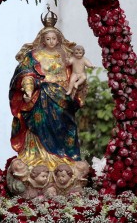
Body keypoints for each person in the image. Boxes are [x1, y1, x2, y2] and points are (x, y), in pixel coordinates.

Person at [9, 12, 84, 172]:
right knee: (38, 123)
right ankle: (38, 159)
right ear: (42, 39)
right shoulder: (33, 55)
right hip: (40, 97)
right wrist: (29, 88)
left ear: (59, 39)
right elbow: (25, 73)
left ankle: (64, 160)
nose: (51, 42)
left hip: (62, 97)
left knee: (64, 126)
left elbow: (77, 70)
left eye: (54, 39)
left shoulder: (66, 55)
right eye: (48, 39)